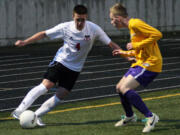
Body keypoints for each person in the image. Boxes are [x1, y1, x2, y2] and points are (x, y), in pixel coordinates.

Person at [11, 5, 121, 126]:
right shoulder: (65, 27)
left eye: (82, 20)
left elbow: (111, 44)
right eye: (77, 19)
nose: (80, 23)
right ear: (73, 17)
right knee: (46, 86)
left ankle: (35, 117)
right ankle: (19, 111)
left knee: (61, 94)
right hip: (61, 61)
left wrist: (127, 55)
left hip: (75, 69)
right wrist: (25, 42)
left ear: (86, 18)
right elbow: (44, 34)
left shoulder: (94, 29)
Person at [109, 3, 163, 133]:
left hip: (151, 63)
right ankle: (130, 116)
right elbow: (140, 49)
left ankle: (151, 117)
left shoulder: (135, 23)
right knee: (119, 88)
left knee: (125, 88)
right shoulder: (132, 28)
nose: (111, 22)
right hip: (141, 62)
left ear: (119, 18)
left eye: (112, 19)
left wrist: (135, 45)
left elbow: (157, 34)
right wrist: (125, 53)